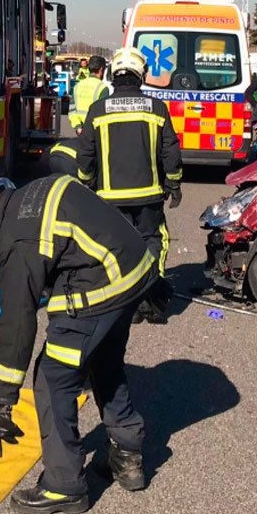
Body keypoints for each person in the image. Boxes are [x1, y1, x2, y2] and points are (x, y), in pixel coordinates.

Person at [0, 175, 157, 514]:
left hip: (104, 283)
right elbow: (101, 220)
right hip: (134, 270)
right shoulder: (31, 195)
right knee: (103, 361)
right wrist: (152, 283)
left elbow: (17, 324)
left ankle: (63, 486)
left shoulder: (18, 240)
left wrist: (2, 401)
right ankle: (127, 458)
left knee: (53, 376)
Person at [76, 47, 181, 324]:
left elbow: (85, 153)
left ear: (113, 75)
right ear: (140, 75)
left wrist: (86, 183)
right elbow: (170, 149)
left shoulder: (99, 110)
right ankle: (154, 302)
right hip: (149, 196)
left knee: (119, 249)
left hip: (109, 200)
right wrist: (174, 182)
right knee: (154, 241)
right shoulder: (156, 108)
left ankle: (128, 305)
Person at [68, 56, 110, 134]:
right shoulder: (103, 88)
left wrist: (78, 127)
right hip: (95, 131)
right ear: (101, 70)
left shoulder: (77, 86)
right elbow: (103, 114)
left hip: (80, 131)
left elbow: (72, 111)